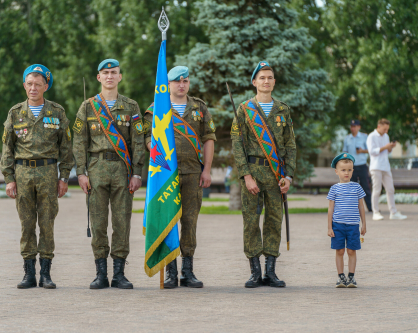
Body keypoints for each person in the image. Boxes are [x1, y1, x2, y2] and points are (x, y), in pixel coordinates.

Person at [72, 59, 146, 289]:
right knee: (98, 223)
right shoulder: (87, 106)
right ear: (99, 77)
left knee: (122, 222)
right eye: (105, 73)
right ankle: (101, 273)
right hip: (96, 170)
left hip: (123, 171)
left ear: (120, 77)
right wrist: (81, 173)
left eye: (114, 72)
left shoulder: (131, 106)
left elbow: (138, 142)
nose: (110, 76)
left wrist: (137, 173)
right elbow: (79, 142)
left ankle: (119, 274)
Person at [0, 64, 74, 289]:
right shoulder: (15, 113)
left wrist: (64, 177)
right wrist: (9, 178)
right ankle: (29, 273)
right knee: (27, 224)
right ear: (24, 85)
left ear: (45, 86)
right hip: (22, 173)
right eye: (29, 84)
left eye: (38, 84)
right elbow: (7, 149)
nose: (33, 88)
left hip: (48, 173)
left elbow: (66, 149)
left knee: (47, 223)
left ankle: (46, 274)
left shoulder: (57, 112)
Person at [143, 66, 216, 288]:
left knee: (189, 222)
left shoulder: (199, 108)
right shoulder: (156, 108)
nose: (181, 85)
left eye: (185, 81)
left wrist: (207, 169)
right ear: (169, 84)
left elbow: (208, 138)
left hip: (193, 173)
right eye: (176, 81)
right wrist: (160, 160)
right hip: (166, 175)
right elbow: (148, 138)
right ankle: (171, 271)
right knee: (168, 219)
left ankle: (187, 271)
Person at [231, 61, 296, 288]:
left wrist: (288, 177)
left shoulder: (283, 110)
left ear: (274, 82)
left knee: (273, 221)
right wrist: (246, 176)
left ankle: (270, 271)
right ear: (254, 82)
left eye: (269, 77)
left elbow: (290, 145)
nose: (266, 81)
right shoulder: (244, 110)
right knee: (251, 221)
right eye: (262, 78)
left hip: (276, 174)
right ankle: (254, 271)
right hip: (253, 173)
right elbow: (237, 145)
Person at [327, 153, 367, 288]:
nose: (346, 173)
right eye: (343, 170)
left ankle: (351, 276)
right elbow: (330, 209)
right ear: (336, 171)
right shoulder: (334, 189)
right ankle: (340, 277)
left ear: (353, 171)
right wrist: (329, 227)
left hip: (353, 225)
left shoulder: (357, 187)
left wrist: (364, 224)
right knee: (339, 251)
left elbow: (361, 206)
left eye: (349, 170)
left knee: (351, 251)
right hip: (338, 225)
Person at [366, 119, 407, 220]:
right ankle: (375, 212)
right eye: (384, 129)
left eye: (387, 129)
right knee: (377, 190)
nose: (386, 131)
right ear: (379, 126)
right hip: (376, 167)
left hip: (386, 166)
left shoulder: (386, 136)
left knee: (390, 189)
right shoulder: (371, 136)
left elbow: (387, 151)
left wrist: (391, 147)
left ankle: (393, 212)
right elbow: (372, 151)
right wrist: (385, 147)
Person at [342, 119, 372, 212]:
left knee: (365, 187)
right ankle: (351, 209)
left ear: (359, 127)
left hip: (362, 165)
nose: (353, 128)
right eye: (351, 126)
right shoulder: (347, 138)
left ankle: (370, 208)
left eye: (355, 126)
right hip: (351, 167)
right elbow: (344, 152)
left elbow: (370, 150)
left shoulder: (364, 137)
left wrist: (362, 151)